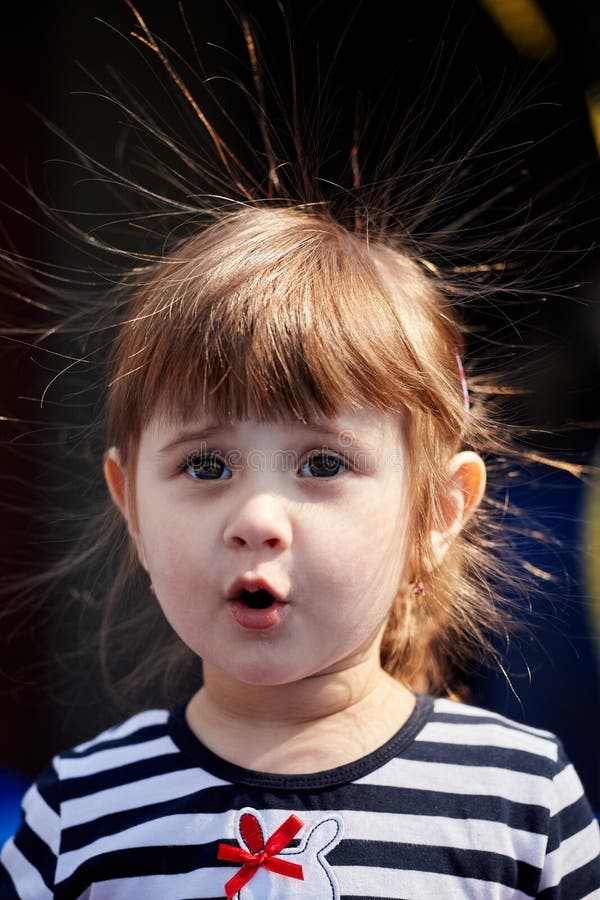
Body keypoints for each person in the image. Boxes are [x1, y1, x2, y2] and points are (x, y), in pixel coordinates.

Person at [1, 6, 599, 900]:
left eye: (321, 464)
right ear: (129, 506)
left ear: (436, 514)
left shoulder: (518, 800)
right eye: (206, 466)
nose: (255, 519)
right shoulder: (79, 813)